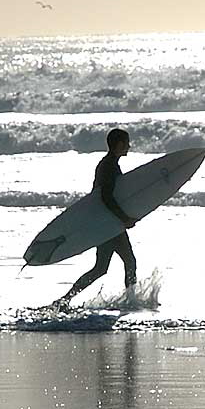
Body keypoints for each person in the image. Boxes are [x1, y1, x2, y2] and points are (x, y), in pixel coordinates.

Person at [54, 128, 137, 308]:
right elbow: (105, 196)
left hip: (105, 222)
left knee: (100, 268)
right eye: (127, 142)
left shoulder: (109, 164)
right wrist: (123, 218)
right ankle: (131, 302)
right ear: (120, 144)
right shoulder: (108, 166)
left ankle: (65, 299)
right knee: (129, 261)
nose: (129, 146)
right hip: (110, 223)